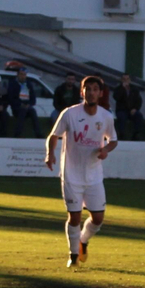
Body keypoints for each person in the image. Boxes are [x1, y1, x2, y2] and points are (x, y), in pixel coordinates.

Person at [46, 75, 117, 268]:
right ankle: (73, 255)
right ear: (82, 92)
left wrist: (105, 150)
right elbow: (54, 135)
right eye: (88, 89)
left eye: (95, 89)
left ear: (100, 93)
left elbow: (113, 140)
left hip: (94, 175)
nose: (91, 92)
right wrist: (50, 153)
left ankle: (83, 241)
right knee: (75, 217)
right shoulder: (69, 113)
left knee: (98, 218)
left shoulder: (106, 116)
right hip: (71, 174)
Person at [112, 73, 143, 140]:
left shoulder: (134, 89)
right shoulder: (118, 88)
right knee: (121, 117)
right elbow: (116, 97)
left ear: (130, 80)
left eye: (127, 79)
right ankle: (122, 134)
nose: (126, 80)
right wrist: (122, 88)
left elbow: (139, 100)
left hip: (132, 110)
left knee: (139, 116)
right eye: (124, 79)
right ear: (121, 80)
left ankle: (136, 134)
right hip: (122, 110)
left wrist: (135, 108)